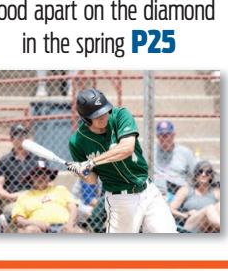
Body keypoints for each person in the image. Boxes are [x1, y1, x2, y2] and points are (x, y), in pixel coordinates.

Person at [67, 88, 175, 234]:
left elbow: (127, 148)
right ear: (86, 118)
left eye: (104, 111)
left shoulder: (120, 115)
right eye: (97, 115)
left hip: (147, 191)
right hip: (120, 201)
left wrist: (91, 162)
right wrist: (81, 172)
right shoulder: (77, 141)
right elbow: (92, 180)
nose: (103, 116)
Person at [8, 163, 79, 233]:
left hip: (64, 226)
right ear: (31, 178)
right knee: (30, 230)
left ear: (49, 177)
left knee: (79, 232)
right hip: (38, 228)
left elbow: (73, 208)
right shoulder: (25, 196)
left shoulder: (60, 189)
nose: (40, 177)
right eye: (36, 175)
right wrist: (34, 223)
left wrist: (70, 224)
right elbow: (19, 219)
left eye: (44, 174)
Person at [0, 123, 43, 211]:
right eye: (17, 135)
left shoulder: (38, 159)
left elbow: (49, 183)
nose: (22, 138)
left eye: (24, 135)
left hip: (34, 197)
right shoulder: (4, 161)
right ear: (11, 139)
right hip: (13, 198)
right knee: (14, 209)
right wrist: (10, 197)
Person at [170, 162, 221, 233]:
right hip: (192, 225)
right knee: (208, 209)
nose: (203, 175)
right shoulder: (186, 190)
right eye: (200, 171)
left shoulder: (216, 192)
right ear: (196, 175)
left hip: (211, 227)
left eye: (207, 172)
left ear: (211, 176)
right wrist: (184, 215)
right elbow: (170, 209)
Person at [153, 119, 196, 198]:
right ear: (157, 136)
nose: (165, 138)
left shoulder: (185, 152)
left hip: (178, 192)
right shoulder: (151, 152)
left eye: (167, 134)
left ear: (173, 135)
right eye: (161, 135)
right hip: (156, 192)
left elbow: (194, 174)